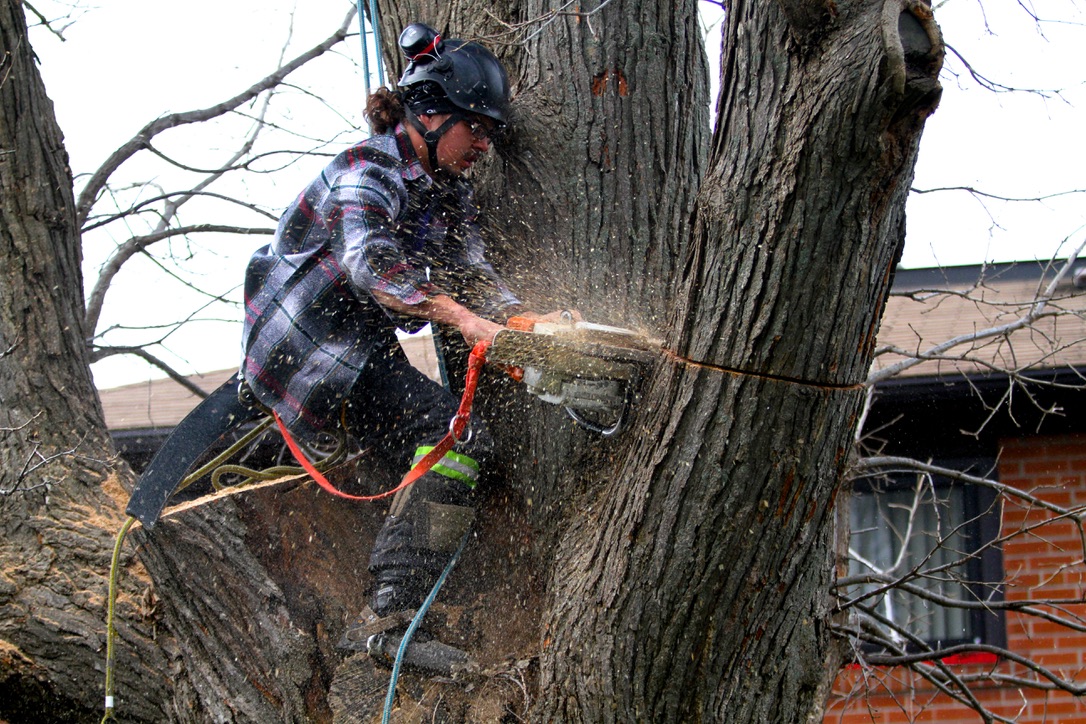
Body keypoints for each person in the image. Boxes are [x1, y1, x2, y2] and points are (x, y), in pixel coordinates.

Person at [240, 23, 565, 631]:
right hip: (311, 348)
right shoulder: (367, 167)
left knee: (454, 451)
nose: (485, 144)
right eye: (477, 126)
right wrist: (466, 321)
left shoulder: (449, 194)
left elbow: (472, 272)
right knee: (456, 439)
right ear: (432, 112)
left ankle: (404, 587)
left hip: (362, 344)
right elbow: (371, 264)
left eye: (491, 132)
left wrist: (522, 318)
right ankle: (389, 618)